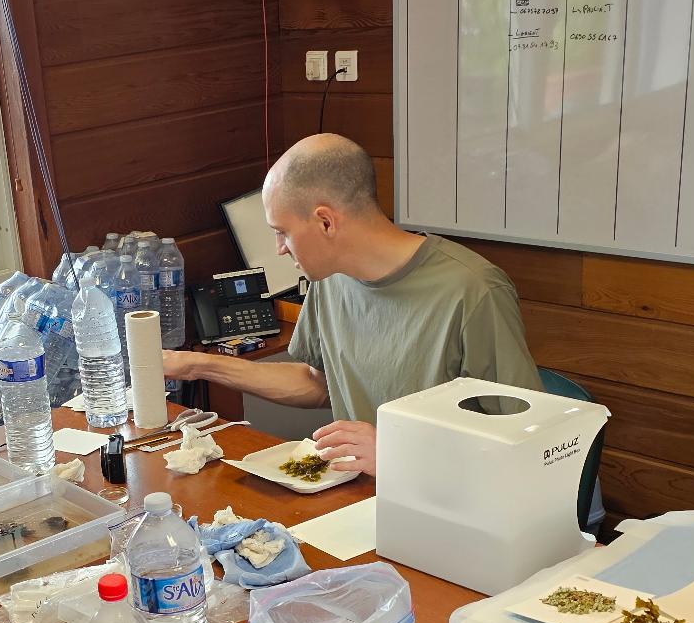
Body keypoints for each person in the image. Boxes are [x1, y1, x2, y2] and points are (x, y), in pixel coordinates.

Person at [163, 133, 539, 476]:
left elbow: (528, 439)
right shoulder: (329, 278)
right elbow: (318, 382)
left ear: (325, 221)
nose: (279, 248)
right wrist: (199, 365)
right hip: (361, 494)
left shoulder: (472, 289)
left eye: (283, 232)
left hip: (448, 505)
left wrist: (399, 454)